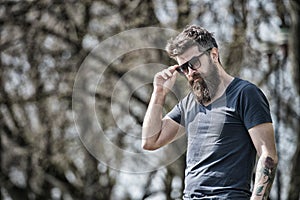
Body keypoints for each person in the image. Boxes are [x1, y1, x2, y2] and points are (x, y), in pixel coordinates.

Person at [142, 25, 278, 200]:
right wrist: (158, 93)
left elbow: (268, 156)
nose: (190, 72)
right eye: (184, 68)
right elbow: (150, 141)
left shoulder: (245, 93)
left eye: (194, 63)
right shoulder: (190, 104)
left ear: (213, 55)